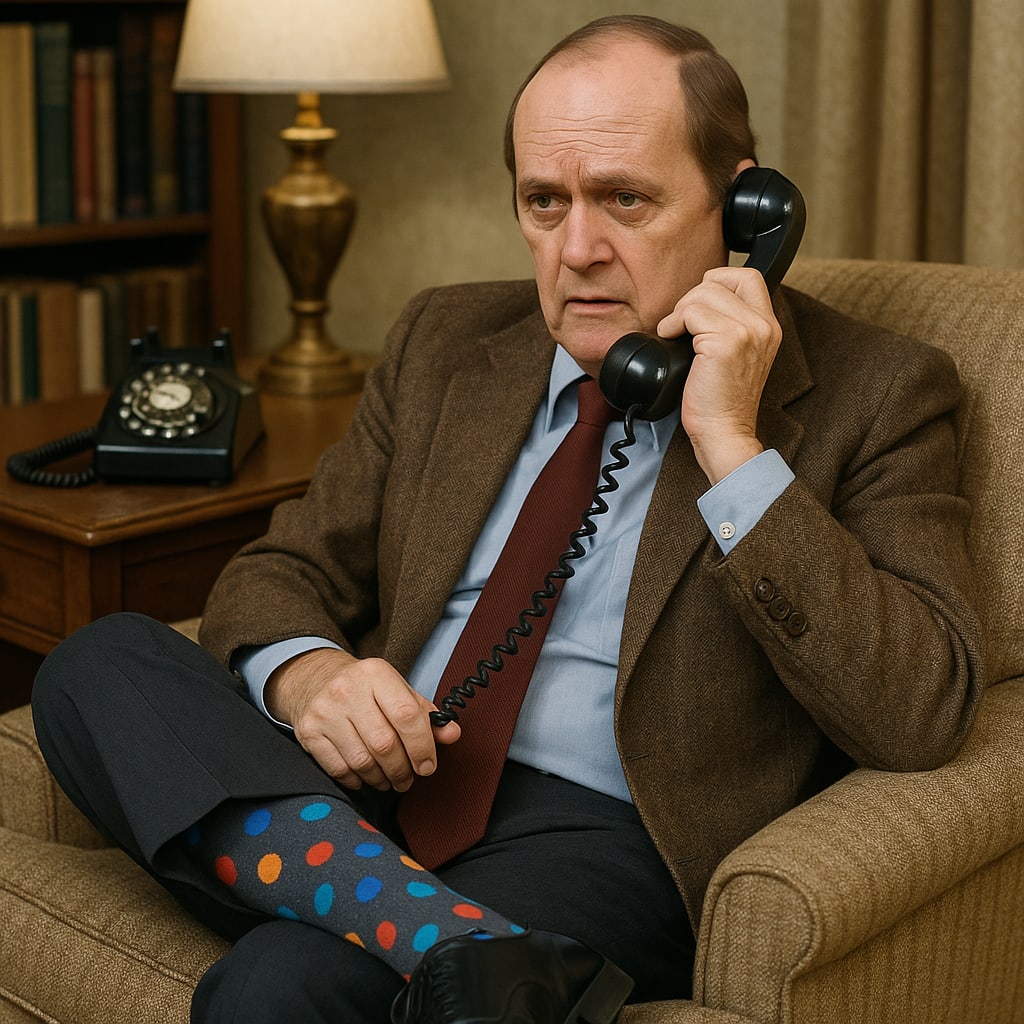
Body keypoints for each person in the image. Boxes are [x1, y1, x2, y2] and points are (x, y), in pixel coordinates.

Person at [31, 14, 984, 1024]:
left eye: (625, 199)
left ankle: (395, 920)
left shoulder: (879, 391)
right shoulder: (443, 336)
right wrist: (313, 679)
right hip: (360, 780)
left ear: (743, 204)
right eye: (544, 202)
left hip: (602, 833)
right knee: (98, 663)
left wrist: (732, 447)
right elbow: (282, 568)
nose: (578, 250)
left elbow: (921, 708)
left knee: (276, 987)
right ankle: (473, 955)